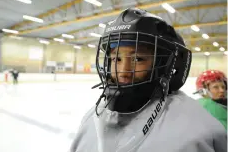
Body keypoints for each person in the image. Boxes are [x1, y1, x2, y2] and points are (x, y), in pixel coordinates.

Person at [70, 8, 227, 152]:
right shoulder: (91, 119)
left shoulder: (197, 130)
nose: (123, 72)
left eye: (138, 59)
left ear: (164, 65)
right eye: (116, 59)